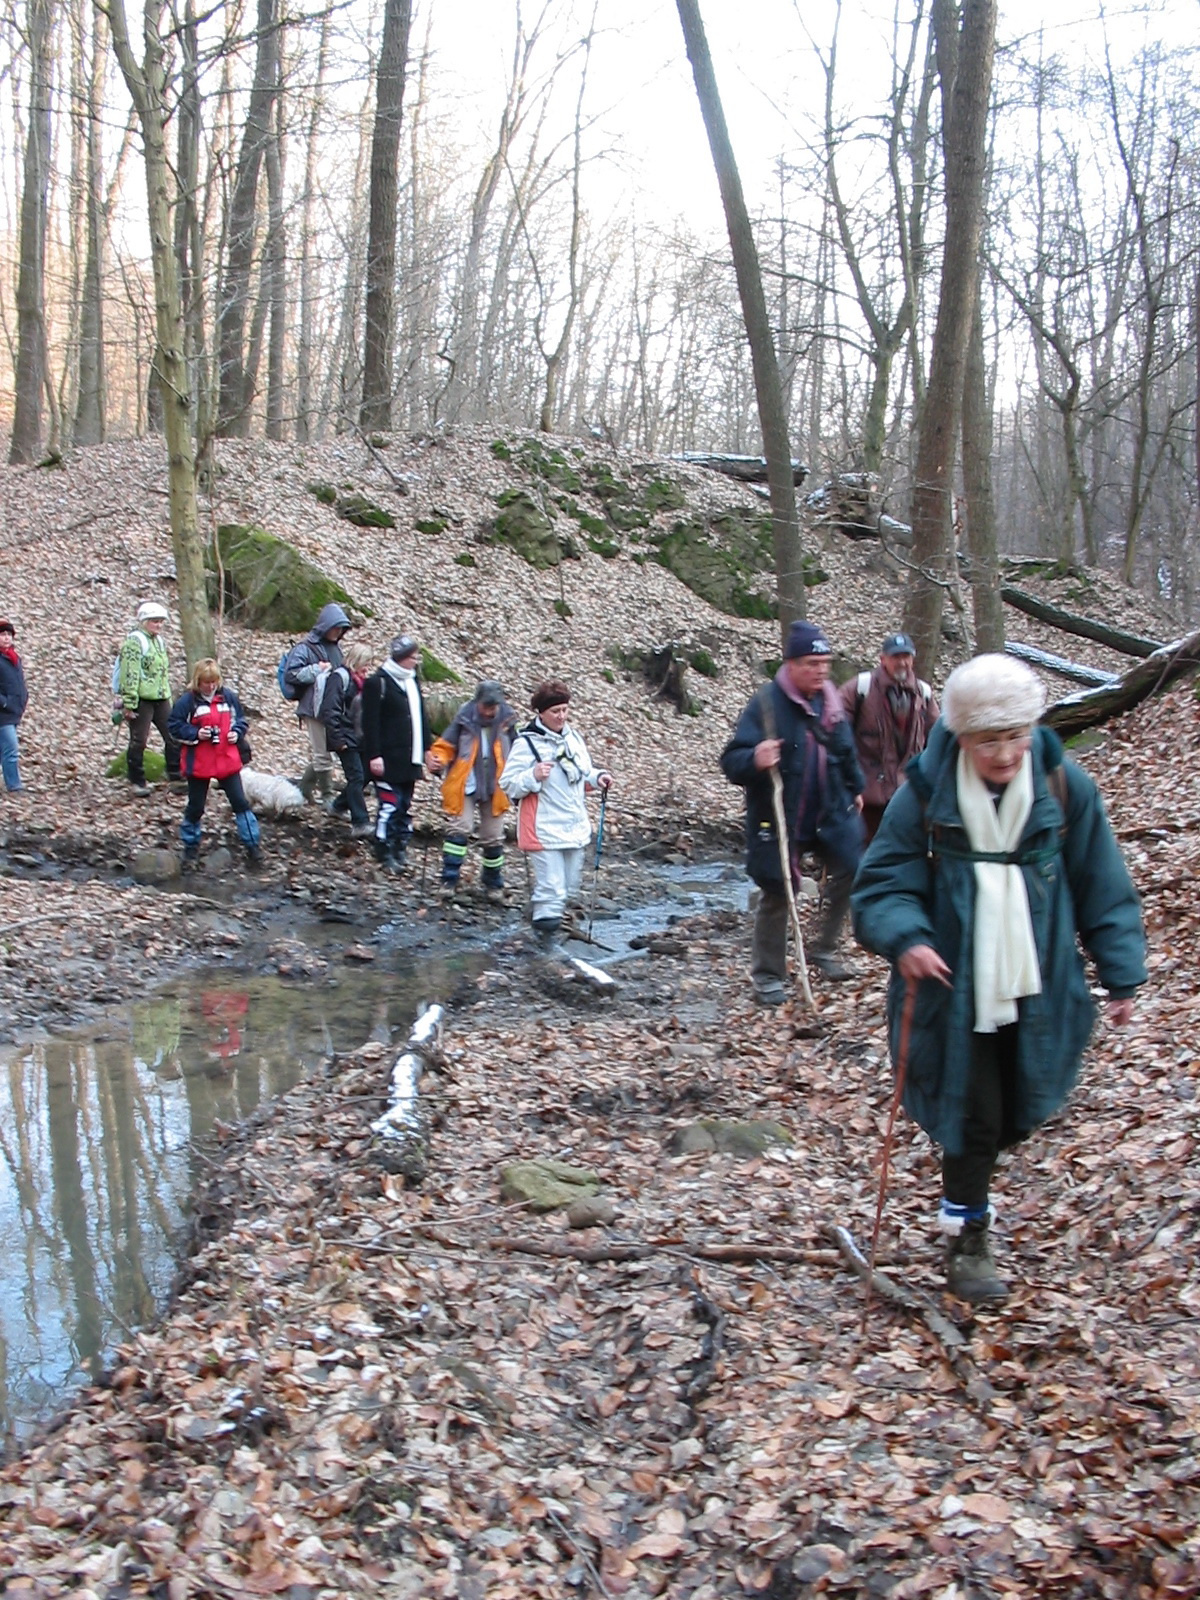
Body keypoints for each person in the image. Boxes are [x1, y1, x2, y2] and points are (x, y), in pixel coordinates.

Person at [851, 654, 1146, 1304]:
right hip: (951, 991)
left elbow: (1102, 885)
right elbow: (882, 885)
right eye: (990, 740)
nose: (1007, 753)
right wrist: (907, 938)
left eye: (1015, 735)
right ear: (962, 737)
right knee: (972, 1117)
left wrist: (1121, 975)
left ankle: (974, 1181)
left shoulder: (1064, 786)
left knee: (1015, 1110)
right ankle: (968, 1233)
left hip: (1041, 984)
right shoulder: (927, 792)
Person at [721, 620, 865, 1001]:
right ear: (791, 664)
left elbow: (845, 749)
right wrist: (755, 757)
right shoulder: (766, 704)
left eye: (825, 663)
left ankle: (825, 948)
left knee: (853, 867)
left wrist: (857, 787)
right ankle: (768, 975)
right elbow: (731, 761)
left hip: (830, 808)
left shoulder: (831, 701)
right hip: (780, 814)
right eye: (811, 663)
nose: (820, 671)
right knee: (777, 889)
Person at [499, 679, 613, 949]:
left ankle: (547, 928)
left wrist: (600, 778)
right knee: (552, 887)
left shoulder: (573, 737)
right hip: (542, 827)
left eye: (564, 710)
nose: (561, 716)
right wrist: (532, 775)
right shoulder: (527, 744)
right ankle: (546, 945)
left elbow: (583, 774)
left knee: (569, 887)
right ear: (540, 713)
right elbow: (508, 783)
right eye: (555, 711)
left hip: (574, 825)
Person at [841, 631, 939, 842]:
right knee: (864, 857)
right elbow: (836, 733)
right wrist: (848, 782)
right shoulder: (861, 689)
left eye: (906, 657)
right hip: (867, 798)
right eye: (896, 657)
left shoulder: (924, 694)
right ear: (883, 659)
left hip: (909, 796)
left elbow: (938, 738)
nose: (902, 662)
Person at [426, 679, 518, 894]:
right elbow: (445, 746)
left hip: (496, 785)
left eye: (493, 706)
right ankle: (449, 879)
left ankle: (492, 883)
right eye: (486, 706)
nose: (490, 711)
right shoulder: (464, 719)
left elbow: (519, 748)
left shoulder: (508, 721)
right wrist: (437, 759)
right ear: (478, 702)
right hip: (465, 782)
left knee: (494, 835)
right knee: (459, 827)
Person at [168, 659, 262, 866]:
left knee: (240, 802)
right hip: (199, 762)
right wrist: (196, 733)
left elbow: (241, 721)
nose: (210, 687)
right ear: (197, 681)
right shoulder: (187, 702)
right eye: (206, 683)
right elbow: (173, 727)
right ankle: (190, 846)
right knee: (196, 806)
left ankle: (253, 846)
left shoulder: (228, 697)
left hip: (226, 759)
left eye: (213, 682)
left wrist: (236, 734)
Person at [361, 634, 430, 872]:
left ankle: (401, 845)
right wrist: (374, 755)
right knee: (390, 804)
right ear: (400, 658)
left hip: (410, 757)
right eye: (413, 657)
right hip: (387, 757)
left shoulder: (413, 681)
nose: (416, 661)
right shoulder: (377, 683)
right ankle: (383, 847)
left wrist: (427, 749)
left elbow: (421, 717)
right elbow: (370, 724)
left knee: (405, 805)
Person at [283, 602, 353, 801]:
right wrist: (317, 669)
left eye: (341, 628)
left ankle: (304, 790)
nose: (338, 631)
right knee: (322, 754)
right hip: (313, 707)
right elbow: (292, 674)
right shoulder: (305, 648)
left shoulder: (336, 649)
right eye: (335, 627)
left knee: (323, 753)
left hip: (332, 707)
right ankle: (328, 797)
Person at [118, 601, 181, 797]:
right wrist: (129, 703)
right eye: (155, 621)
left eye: (161, 622)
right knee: (139, 741)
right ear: (144, 621)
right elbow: (130, 674)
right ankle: (137, 780)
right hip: (142, 699)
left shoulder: (159, 641)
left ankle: (175, 775)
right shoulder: (134, 643)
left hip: (161, 697)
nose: (159, 625)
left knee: (173, 735)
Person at [319, 639, 375, 839]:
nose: (367, 668)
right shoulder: (339, 678)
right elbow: (330, 710)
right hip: (345, 737)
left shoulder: (360, 683)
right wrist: (338, 739)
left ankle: (338, 806)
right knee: (356, 777)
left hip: (359, 737)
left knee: (365, 774)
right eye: (365, 663)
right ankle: (360, 822)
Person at [0, 619, 29, 792]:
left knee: (4, 749)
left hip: (14, 711)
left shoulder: (13, 657)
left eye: (9, 635)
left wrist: (23, 698)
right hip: (3, 714)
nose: (6, 638)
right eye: (2, 635)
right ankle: (14, 785)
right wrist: (5, 703)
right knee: (11, 749)